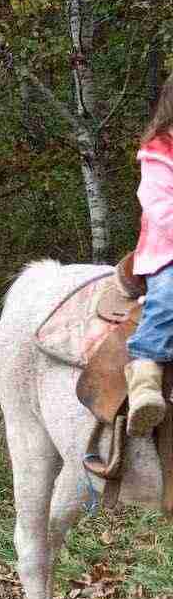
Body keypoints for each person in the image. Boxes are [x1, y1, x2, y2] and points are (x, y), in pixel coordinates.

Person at [125, 79, 173, 435]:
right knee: (169, 294)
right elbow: (161, 209)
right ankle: (145, 373)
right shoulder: (159, 153)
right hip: (167, 248)